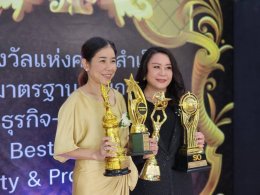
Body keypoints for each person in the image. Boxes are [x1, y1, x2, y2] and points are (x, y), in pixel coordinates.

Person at [53, 37, 138, 195]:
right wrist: (96, 154)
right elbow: (62, 150)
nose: (109, 67)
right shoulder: (75, 102)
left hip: (120, 176)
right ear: (86, 64)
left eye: (113, 61)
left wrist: (141, 145)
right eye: (102, 61)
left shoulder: (118, 97)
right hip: (92, 183)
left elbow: (124, 135)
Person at [131, 47, 205, 195]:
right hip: (146, 188)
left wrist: (197, 142)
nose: (163, 73)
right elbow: (122, 148)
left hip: (181, 187)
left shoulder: (181, 105)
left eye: (168, 67)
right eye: (156, 67)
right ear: (145, 72)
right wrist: (139, 149)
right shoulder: (131, 107)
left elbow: (187, 152)